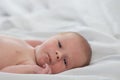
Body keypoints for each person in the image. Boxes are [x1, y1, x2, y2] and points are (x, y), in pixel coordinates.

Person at [0, 32, 92, 74]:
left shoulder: (30, 65)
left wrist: (34, 70)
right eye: (59, 44)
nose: (58, 55)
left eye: (65, 62)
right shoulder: (31, 46)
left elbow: (4, 73)